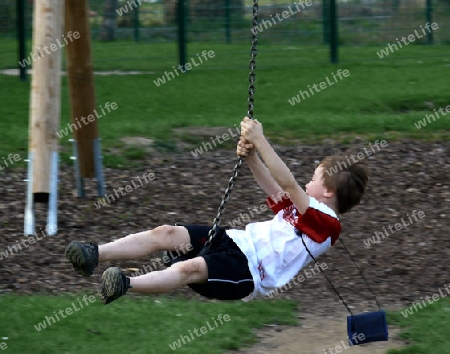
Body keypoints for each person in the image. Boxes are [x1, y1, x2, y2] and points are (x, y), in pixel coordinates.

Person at [65, 117, 369, 305]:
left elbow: (288, 184)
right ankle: (94, 253)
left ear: (328, 192)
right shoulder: (306, 210)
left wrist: (261, 140)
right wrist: (251, 158)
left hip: (247, 272)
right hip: (235, 240)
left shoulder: (327, 225)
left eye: (314, 178)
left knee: (188, 269)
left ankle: (124, 284)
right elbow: (275, 190)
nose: (307, 181)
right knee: (166, 233)